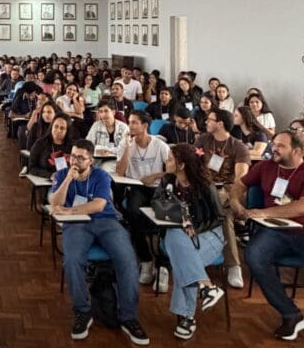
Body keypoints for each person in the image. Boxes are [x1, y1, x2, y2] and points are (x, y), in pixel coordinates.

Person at [230, 131, 304, 342]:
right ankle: (290, 313)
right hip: (275, 229)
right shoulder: (265, 167)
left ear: (297, 151)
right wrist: (235, 201)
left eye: (281, 146)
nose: (274, 148)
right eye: (274, 144)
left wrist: (263, 213)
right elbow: (240, 184)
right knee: (253, 256)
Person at [49, 139, 149, 344]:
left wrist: (69, 210)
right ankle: (82, 312)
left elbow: (98, 205)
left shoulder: (101, 176)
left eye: (80, 158)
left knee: (127, 259)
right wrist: (67, 180)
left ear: (91, 160)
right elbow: (54, 203)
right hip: (76, 224)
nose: (75, 161)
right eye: (73, 156)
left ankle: (128, 317)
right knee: (72, 261)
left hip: (105, 221)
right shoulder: (62, 174)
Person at [155, 144, 227, 340]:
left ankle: (186, 316)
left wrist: (194, 229)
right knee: (178, 241)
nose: (166, 162)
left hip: (209, 235)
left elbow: (219, 217)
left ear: (182, 165)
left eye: (170, 159)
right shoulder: (168, 180)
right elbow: (156, 202)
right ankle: (206, 287)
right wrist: (172, 212)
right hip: (178, 235)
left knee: (183, 259)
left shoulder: (205, 185)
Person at [116, 111, 172, 290]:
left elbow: (172, 171)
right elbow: (120, 172)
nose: (130, 126)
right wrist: (127, 148)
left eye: (134, 123)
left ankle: (162, 265)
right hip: (137, 187)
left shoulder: (160, 145)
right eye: (129, 122)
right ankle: (146, 259)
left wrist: (155, 176)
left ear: (145, 126)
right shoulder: (126, 144)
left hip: (157, 187)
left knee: (162, 219)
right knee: (133, 212)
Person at [195, 109, 251, 288]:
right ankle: (232, 264)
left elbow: (240, 179)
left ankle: (233, 265)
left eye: (210, 119)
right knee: (223, 214)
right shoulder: (203, 140)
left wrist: (232, 197)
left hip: (228, 190)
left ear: (220, 124)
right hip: (203, 188)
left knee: (223, 212)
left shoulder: (238, 147)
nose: (206, 122)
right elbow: (193, 164)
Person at [28, 115, 74, 179]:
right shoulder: (40, 143)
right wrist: (50, 175)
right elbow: (31, 168)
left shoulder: (73, 146)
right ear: (51, 127)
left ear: (67, 131)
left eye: (62, 128)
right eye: (56, 126)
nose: (58, 130)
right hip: (45, 180)